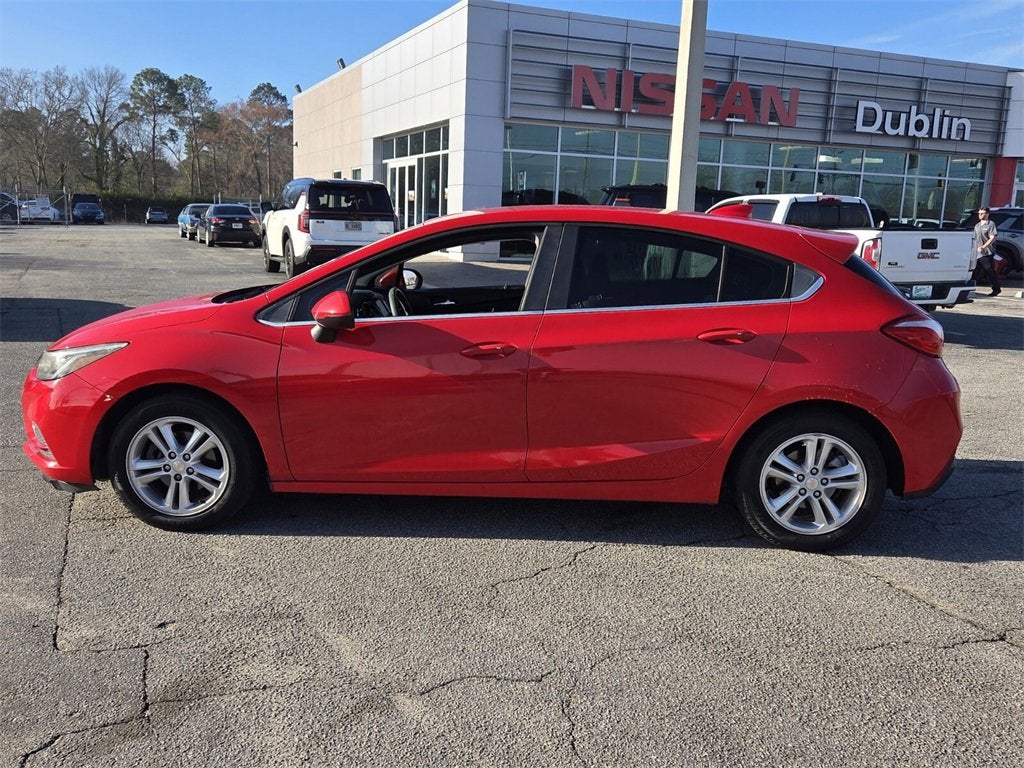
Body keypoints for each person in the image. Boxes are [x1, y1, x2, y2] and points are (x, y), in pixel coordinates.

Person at [973, 207, 1001, 296]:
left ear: (987, 214)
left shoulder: (990, 224)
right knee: (973, 271)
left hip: (986, 252)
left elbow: (993, 237)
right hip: (976, 252)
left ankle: (996, 289)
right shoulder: (977, 225)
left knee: (989, 271)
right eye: (979, 213)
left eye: (982, 213)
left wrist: (984, 247)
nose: (980, 215)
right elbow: (975, 238)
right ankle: (969, 288)